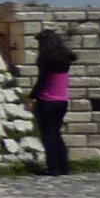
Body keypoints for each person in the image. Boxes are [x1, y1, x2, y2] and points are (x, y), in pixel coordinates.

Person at [33, 29, 75, 175]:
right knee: (56, 134)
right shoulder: (65, 58)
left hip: (46, 101)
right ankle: (64, 166)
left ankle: (53, 168)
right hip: (62, 101)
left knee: (48, 135)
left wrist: (30, 97)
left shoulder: (46, 60)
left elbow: (42, 82)